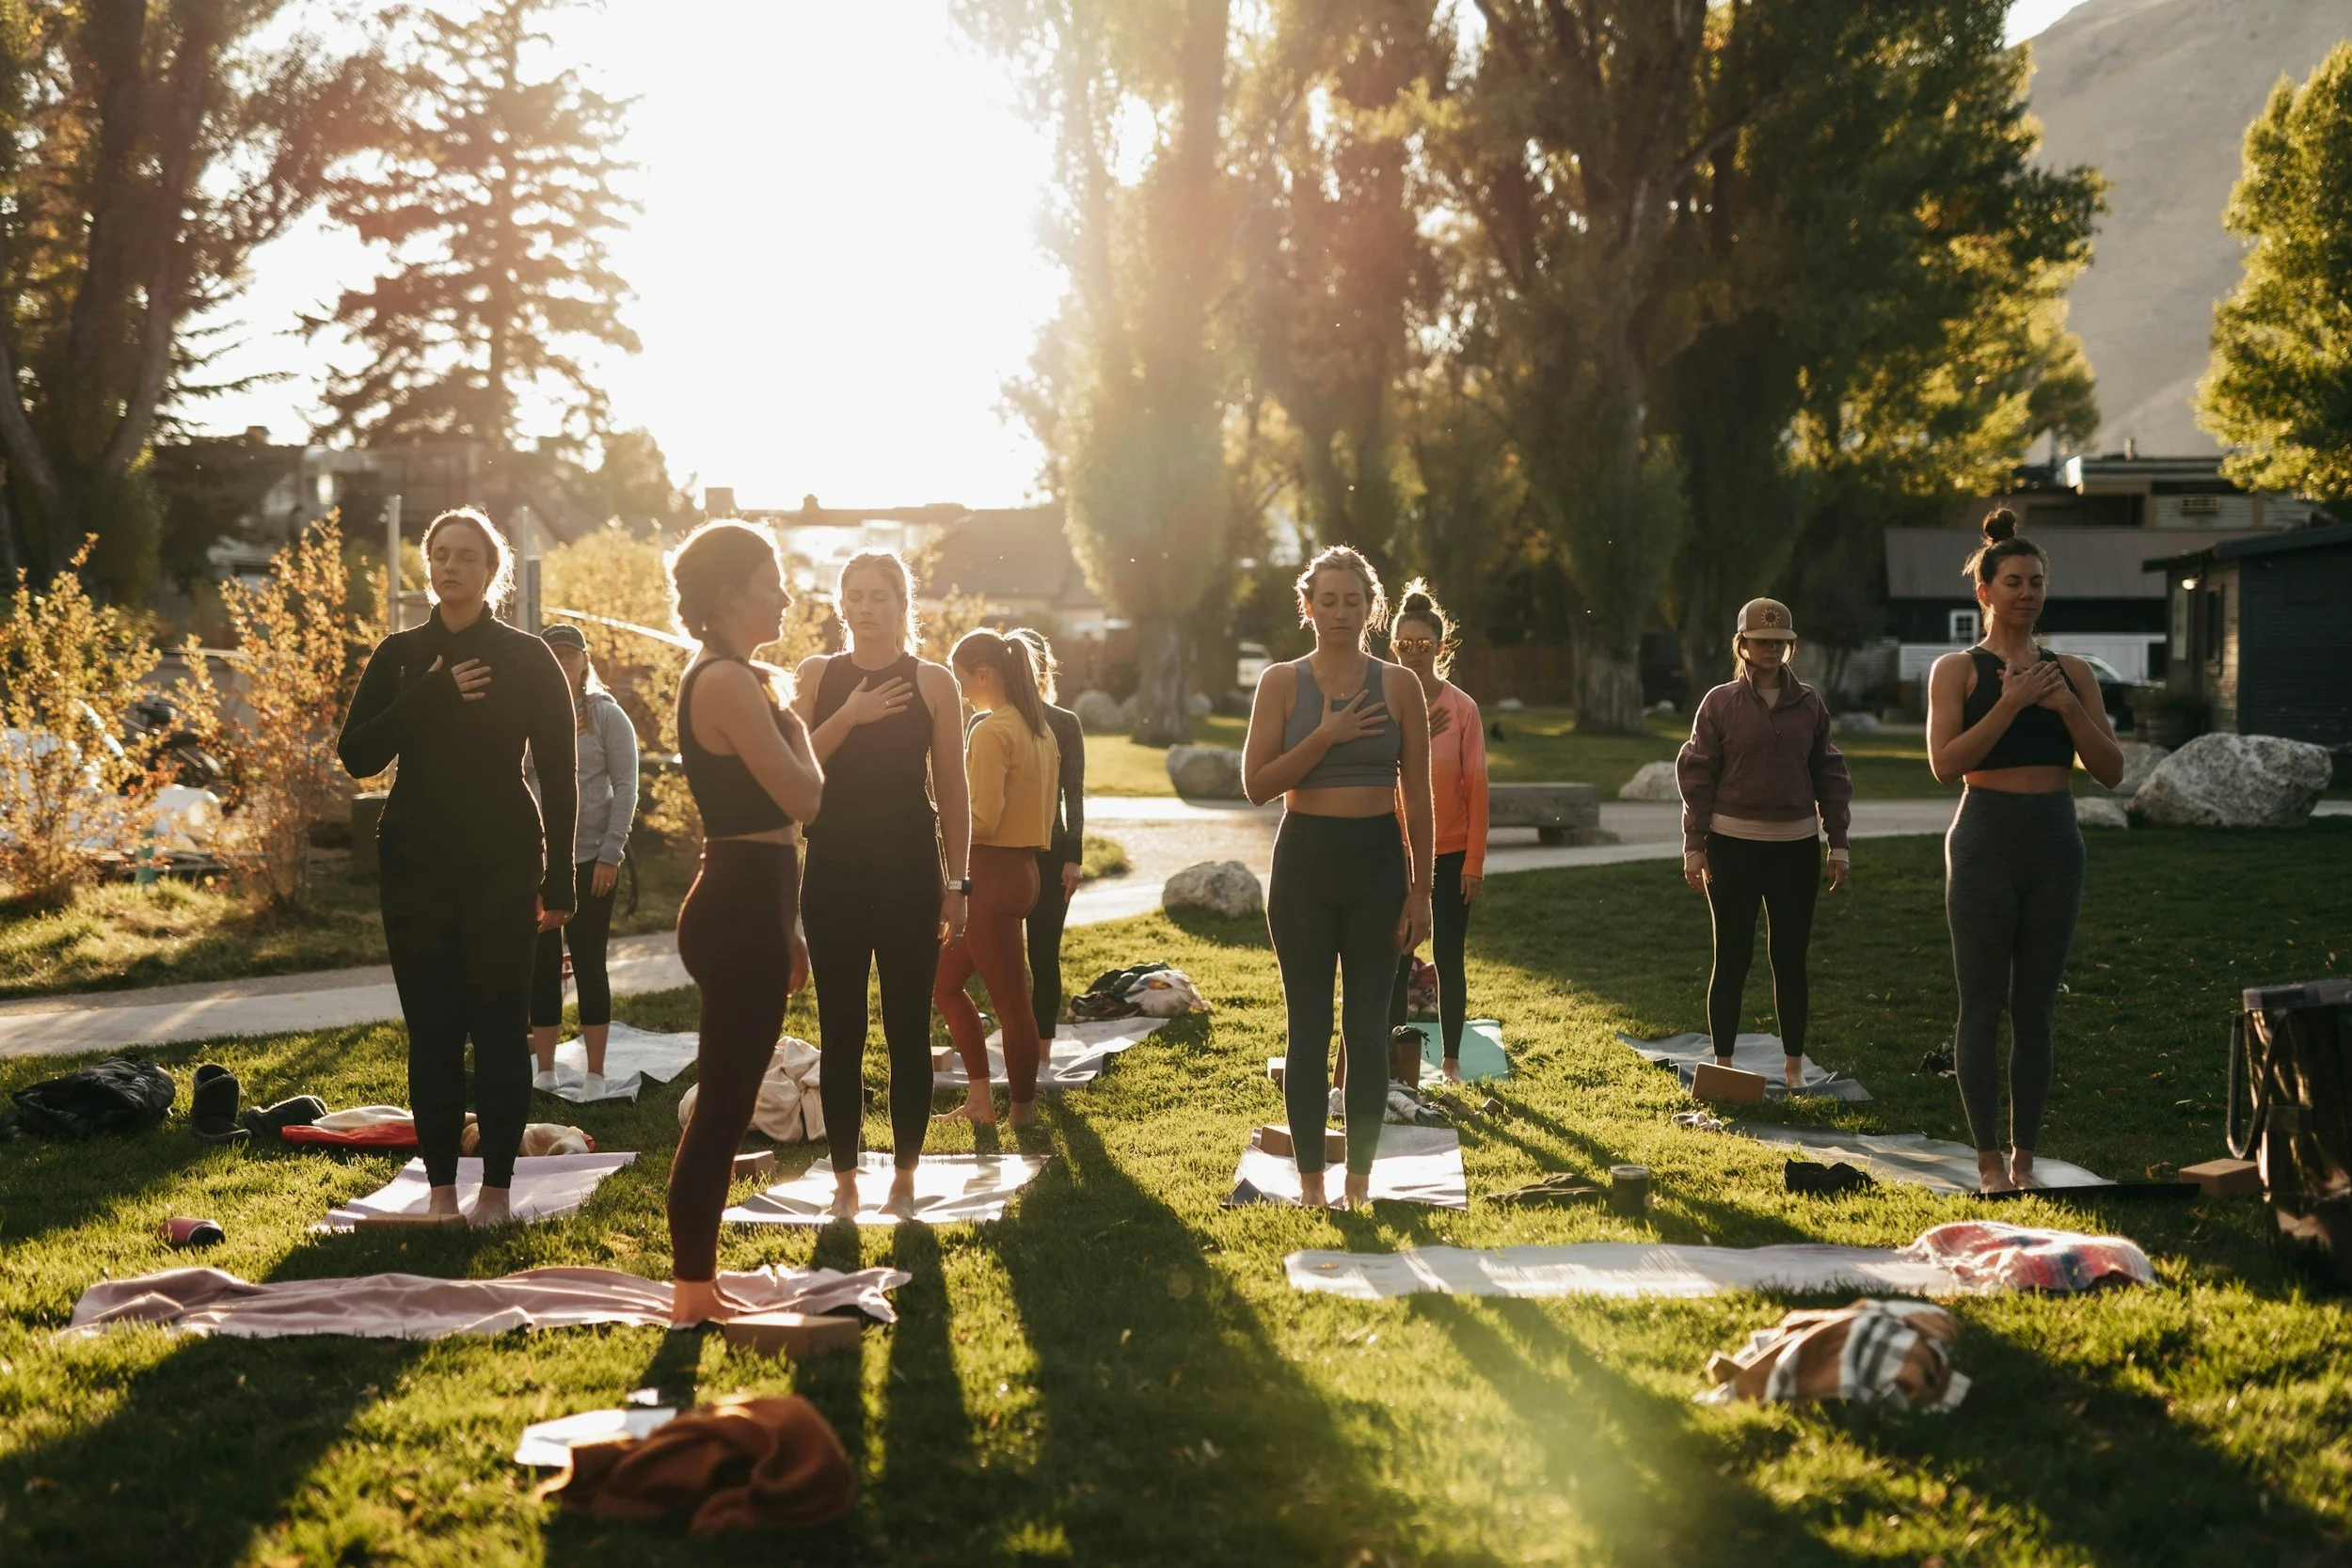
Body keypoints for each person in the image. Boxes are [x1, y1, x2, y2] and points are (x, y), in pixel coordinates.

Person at [337, 507, 577, 1227]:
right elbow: (357, 754)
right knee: (434, 1028)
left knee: (501, 1024)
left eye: (466, 555)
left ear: (490, 568)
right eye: (439, 553)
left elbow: (561, 777)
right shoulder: (400, 654)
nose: (450, 565)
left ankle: (496, 1192)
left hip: (503, 862)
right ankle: (442, 1191)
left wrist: (560, 876)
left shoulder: (529, 657)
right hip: (415, 862)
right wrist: (431, 692)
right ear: (427, 564)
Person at [1927, 508, 2124, 1193]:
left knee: (2035, 1006)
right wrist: (2010, 705)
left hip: (2054, 840)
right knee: (1981, 1004)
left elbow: (2111, 769)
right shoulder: (1957, 670)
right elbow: (1944, 764)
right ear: (1985, 591)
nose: (2026, 592)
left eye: (2036, 581)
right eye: (2013, 580)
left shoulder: (2072, 670)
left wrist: (2065, 706)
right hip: (1984, 839)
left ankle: (2024, 1159)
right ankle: (1986, 1163)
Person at [664, 521, 825, 1323]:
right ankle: (694, 1294)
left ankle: (702, 1281)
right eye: (773, 580)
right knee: (724, 1107)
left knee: (727, 1103)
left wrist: (790, 926)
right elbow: (806, 798)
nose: (787, 594)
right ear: (729, 593)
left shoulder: (748, 677)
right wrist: (798, 724)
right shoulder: (727, 681)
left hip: (758, 900)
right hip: (733, 903)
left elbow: (787, 826)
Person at [1243, 546, 1433, 1211]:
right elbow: (1257, 784)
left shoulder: (1400, 685)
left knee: (1367, 1028)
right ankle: (1312, 1187)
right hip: (1304, 865)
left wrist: (1421, 890)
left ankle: (1359, 1183)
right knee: (1308, 1027)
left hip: (1378, 864)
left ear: (1371, 607)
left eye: (1354, 601)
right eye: (1328, 600)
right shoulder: (1282, 683)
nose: (1341, 612)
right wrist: (1326, 735)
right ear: (1308, 606)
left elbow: (1420, 796)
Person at [791, 551, 968, 1222]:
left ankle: (904, 1172)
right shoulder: (817, 675)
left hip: (907, 873)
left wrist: (959, 883)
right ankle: (843, 1179)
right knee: (840, 1030)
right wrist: (851, 715)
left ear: (902, 603)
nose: (865, 607)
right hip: (832, 869)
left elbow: (952, 790)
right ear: (842, 605)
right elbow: (792, 765)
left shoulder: (933, 681)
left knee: (904, 1028)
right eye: (854, 596)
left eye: (879, 596)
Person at [1676, 598, 1854, 1091]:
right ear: (1744, 646)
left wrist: (1837, 842)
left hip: (1796, 850)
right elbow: (1697, 775)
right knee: (1731, 956)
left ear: (1788, 646)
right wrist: (1695, 844)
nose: (1771, 649)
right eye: (1761, 641)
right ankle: (1724, 1068)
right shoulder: (1719, 703)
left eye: (1779, 642)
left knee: (1790, 958)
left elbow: (1829, 774)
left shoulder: (1811, 703)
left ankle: (1794, 1069)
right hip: (1731, 848)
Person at [932, 628, 1058, 1130]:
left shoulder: (990, 730)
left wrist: (934, 814)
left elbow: (980, 819)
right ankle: (980, 1102)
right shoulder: (1038, 728)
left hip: (990, 873)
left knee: (1010, 1004)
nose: (962, 694)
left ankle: (1021, 1114)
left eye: (964, 682)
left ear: (984, 676)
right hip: (1023, 870)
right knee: (943, 985)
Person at [526, 623, 639, 1098]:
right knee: (542, 964)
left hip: (594, 859)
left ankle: (595, 1074)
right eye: (553, 654)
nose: (562, 661)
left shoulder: (607, 716)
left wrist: (613, 853)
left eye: (570, 655)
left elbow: (627, 785)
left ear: (584, 662)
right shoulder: (524, 715)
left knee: (591, 962)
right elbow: (514, 774)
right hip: (541, 862)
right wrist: (549, 736)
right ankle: (546, 1071)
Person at [1384, 581, 1487, 1083]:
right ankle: (1394, 1063)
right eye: (1404, 644)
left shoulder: (1464, 710)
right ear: (1393, 646)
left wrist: (1474, 864)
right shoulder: (1380, 702)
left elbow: (1478, 790)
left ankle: (1449, 1063)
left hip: (1450, 854)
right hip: (1394, 852)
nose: (1414, 654)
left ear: (1440, 648)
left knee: (1448, 956)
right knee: (1397, 956)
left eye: (1423, 645)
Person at [1009, 627, 1086, 1041]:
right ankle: (1014, 1039)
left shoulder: (1064, 723)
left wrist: (1073, 857)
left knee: (1043, 955)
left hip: (1051, 854)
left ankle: (1041, 1052)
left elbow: (1074, 794)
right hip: (1002, 856)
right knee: (1002, 961)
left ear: (1042, 670)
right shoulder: (985, 723)